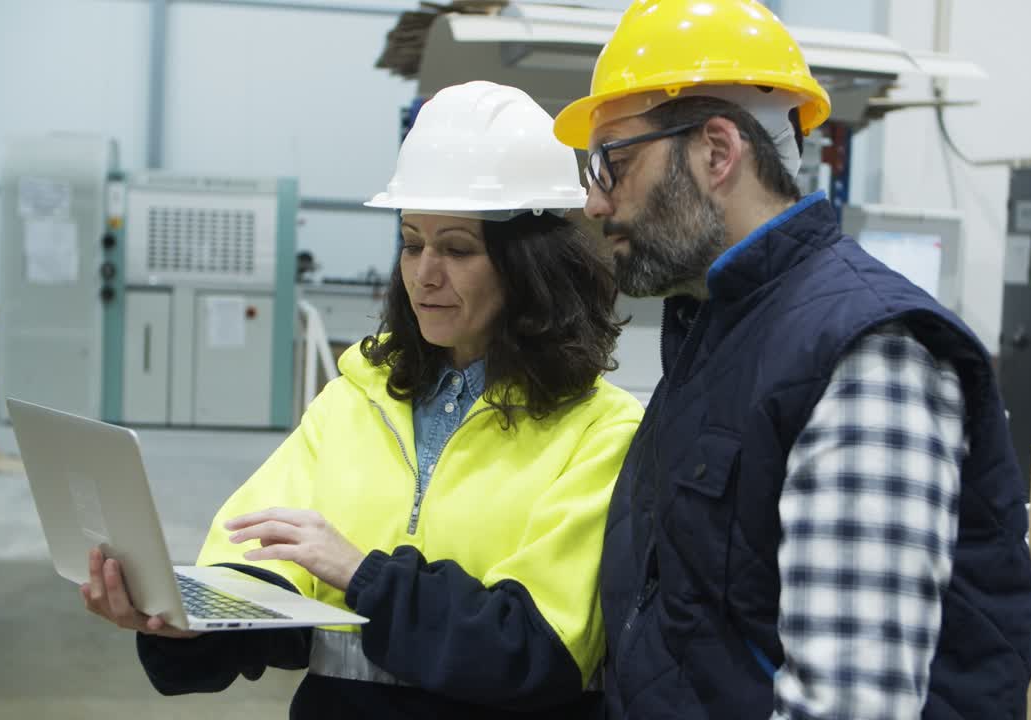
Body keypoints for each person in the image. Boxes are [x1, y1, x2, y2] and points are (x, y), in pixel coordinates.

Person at [79, 80, 644, 719]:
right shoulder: (355, 400)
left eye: (457, 248)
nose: (424, 273)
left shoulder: (601, 431)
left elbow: (535, 653)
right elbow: (264, 568)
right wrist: (184, 622)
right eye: (411, 242)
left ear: (530, 268)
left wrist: (363, 574)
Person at [551, 1, 1031, 718]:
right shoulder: (721, 332)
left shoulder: (870, 356)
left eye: (612, 163)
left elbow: (851, 703)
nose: (594, 202)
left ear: (717, 152)